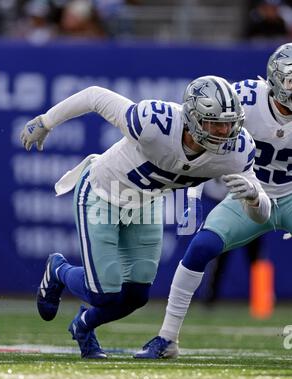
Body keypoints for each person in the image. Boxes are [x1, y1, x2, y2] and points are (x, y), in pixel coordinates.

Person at [20, 75, 270, 359]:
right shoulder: (155, 123)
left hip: (147, 203)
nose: (224, 131)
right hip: (103, 191)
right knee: (104, 293)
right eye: (215, 122)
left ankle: (83, 326)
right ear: (191, 117)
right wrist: (46, 121)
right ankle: (58, 270)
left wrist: (254, 196)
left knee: (136, 296)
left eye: (230, 122)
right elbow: (94, 95)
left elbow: (261, 217)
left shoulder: (237, 151)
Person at [135, 42, 292, 359]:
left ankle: (260, 302)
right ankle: (167, 338)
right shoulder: (246, 98)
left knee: (253, 259)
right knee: (202, 248)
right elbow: (205, 126)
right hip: (246, 192)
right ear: (276, 79)